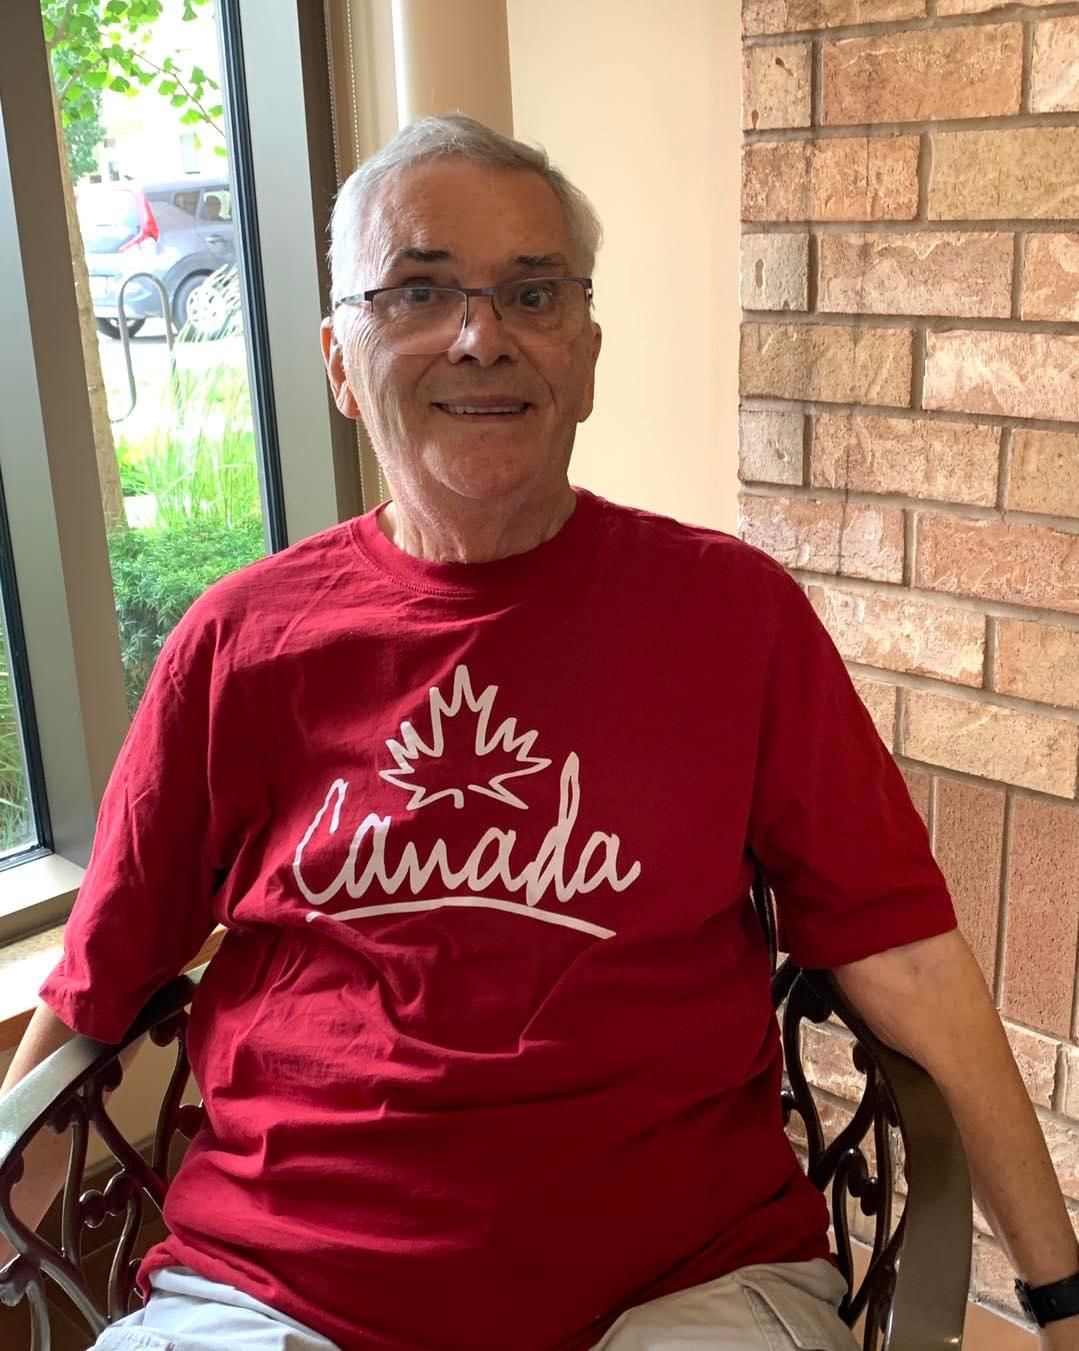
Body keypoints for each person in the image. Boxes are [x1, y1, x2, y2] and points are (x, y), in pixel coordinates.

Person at [2, 114, 1078, 1351]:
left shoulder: (732, 620)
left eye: (531, 292)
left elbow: (913, 961)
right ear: (339, 362)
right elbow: (95, 989)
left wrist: (1055, 1299)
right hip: (277, 1292)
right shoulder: (240, 644)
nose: (481, 335)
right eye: (418, 290)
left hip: (688, 1286)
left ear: (584, 354)